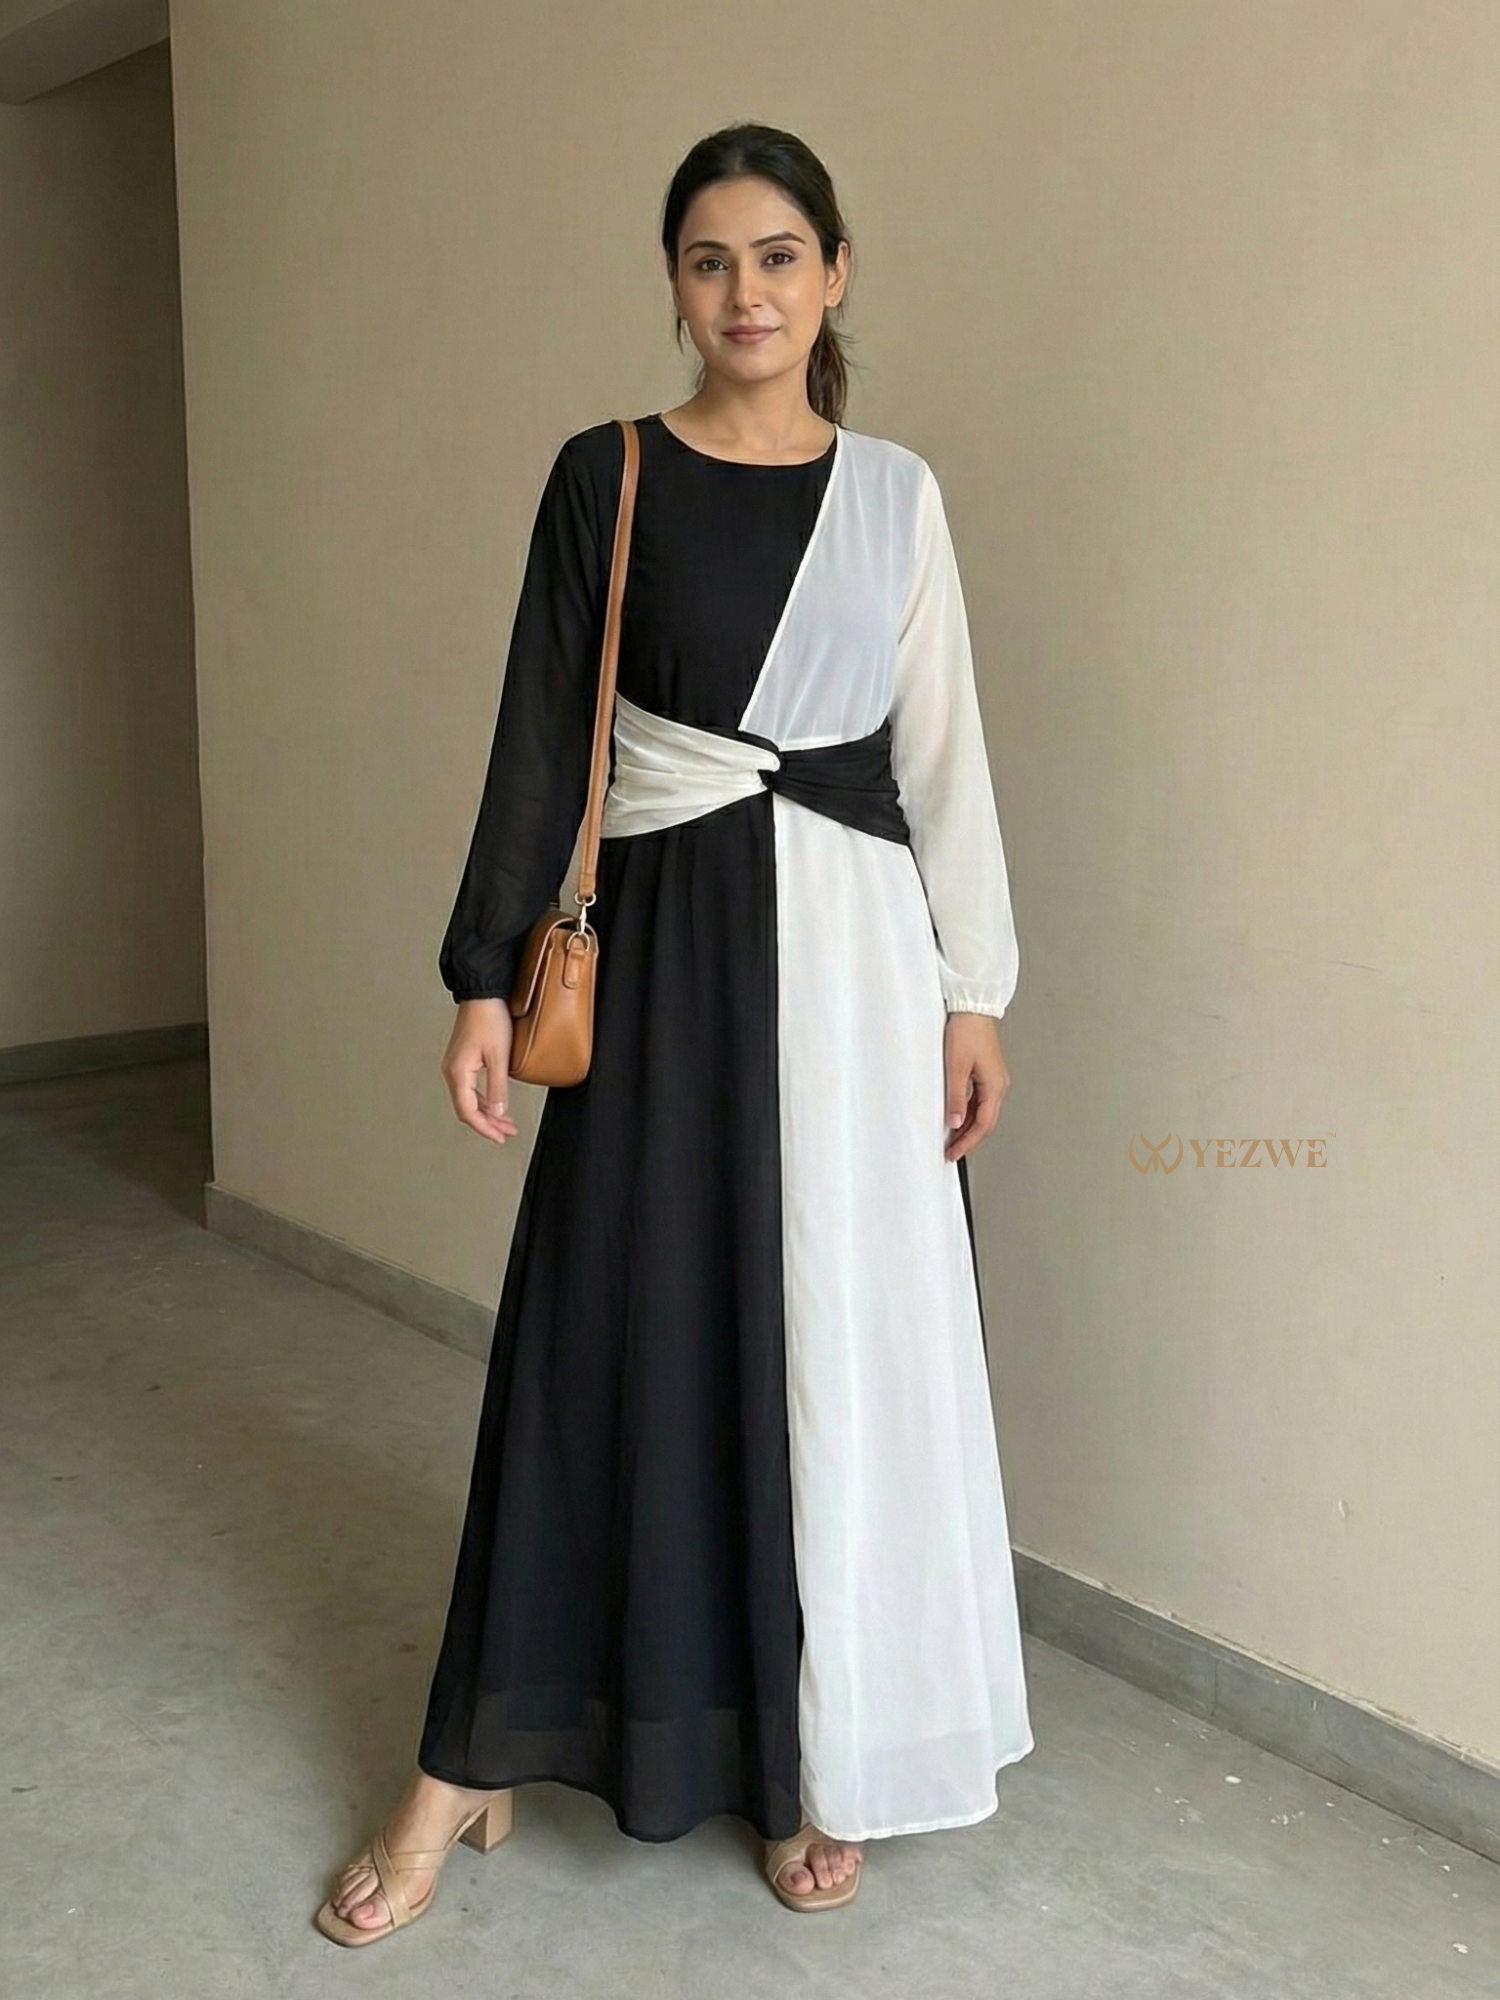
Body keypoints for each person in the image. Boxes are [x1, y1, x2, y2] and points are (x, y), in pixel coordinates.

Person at [316, 120, 1033, 1948]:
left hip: (860, 969)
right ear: (675, 284)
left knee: (833, 1349)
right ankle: (467, 1758)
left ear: (834, 276)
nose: (747, 292)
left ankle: (815, 1759)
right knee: (596, 1333)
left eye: (780, 256)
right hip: (662, 959)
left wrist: (974, 990)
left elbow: (943, 752)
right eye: (713, 260)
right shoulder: (608, 474)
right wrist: (483, 974)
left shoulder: (898, 497)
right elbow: (539, 731)